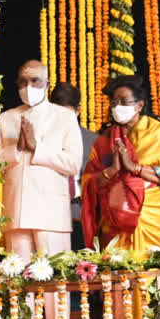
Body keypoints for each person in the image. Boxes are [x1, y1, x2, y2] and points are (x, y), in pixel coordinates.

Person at [81, 76, 160, 319]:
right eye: (113, 102)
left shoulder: (156, 131)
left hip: (153, 216)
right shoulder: (105, 140)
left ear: (140, 105)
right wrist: (113, 170)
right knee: (120, 278)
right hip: (117, 221)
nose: (117, 107)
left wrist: (134, 168)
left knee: (152, 277)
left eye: (123, 102)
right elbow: (89, 183)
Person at [0, 60, 83, 319]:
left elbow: (72, 163)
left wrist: (38, 147)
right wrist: (16, 149)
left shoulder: (64, 117)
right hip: (15, 211)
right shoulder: (6, 118)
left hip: (50, 212)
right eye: (22, 82)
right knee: (20, 285)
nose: (27, 88)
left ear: (47, 83)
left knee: (55, 284)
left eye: (34, 81)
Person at [49, 82, 99, 251]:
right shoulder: (40, 139)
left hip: (83, 215)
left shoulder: (94, 141)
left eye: (67, 114)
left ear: (78, 111)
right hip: (50, 214)